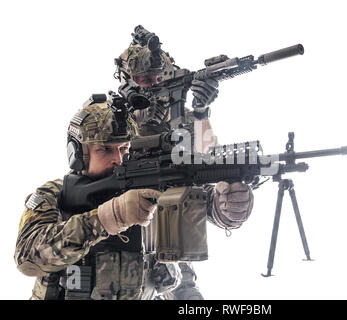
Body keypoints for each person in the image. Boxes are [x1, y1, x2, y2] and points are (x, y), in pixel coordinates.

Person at [14, 96, 254, 299]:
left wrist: (228, 205)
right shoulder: (54, 194)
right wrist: (109, 217)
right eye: (105, 150)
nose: (118, 159)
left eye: (124, 149)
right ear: (78, 154)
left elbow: (208, 208)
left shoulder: (152, 183)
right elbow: (27, 259)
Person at [114, 41, 253, 300]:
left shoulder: (187, 123)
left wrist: (229, 205)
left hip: (172, 257)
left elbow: (206, 182)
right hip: (117, 254)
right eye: (143, 79)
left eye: (158, 78)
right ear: (127, 81)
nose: (152, 85)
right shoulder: (109, 122)